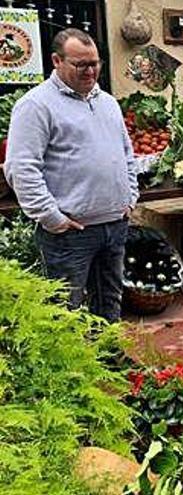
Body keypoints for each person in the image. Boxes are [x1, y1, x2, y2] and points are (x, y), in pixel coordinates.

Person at [4, 28, 137, 322]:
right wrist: (53, 219)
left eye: (95, 63)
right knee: (66, 313)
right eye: (81, 65)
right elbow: (21, 168)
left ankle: (108, 361)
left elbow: (126, 154)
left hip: (114, 225)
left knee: (110, 303)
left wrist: (130, 197)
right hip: (70, 235)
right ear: (56, 61)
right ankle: (75, 369)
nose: (91, 71)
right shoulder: (36, 105)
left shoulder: (108, 103)